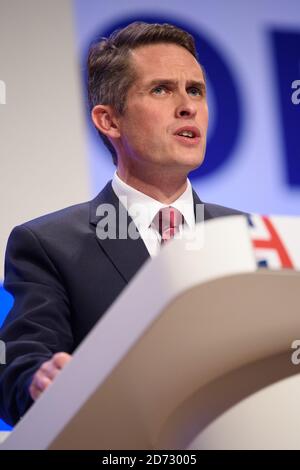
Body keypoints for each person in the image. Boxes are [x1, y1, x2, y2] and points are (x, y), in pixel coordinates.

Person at [0, 21, 244, 426]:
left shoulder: (245, 236)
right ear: (109, 121)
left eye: (195, 90)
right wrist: (39, 382)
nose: (188, 107)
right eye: (161, 89)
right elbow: (19, 370)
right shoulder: (48, 244)